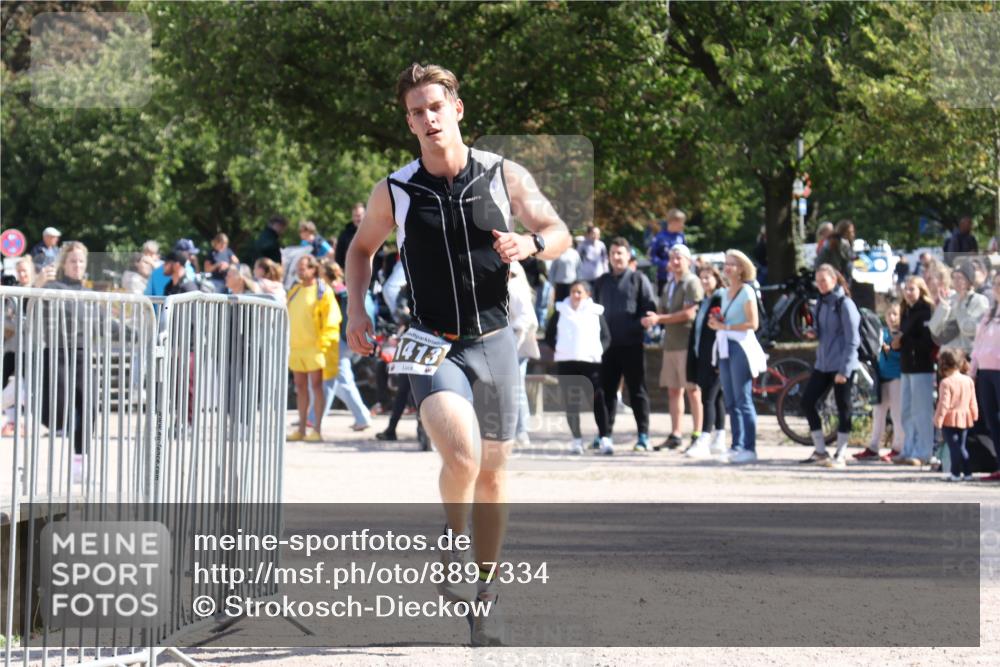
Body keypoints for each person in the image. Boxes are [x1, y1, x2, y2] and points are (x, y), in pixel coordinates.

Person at [344, 63, 570, 647]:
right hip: (429, 340)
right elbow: (361, 251)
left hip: (494, 338)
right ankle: (452, 535)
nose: (428, 119)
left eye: (436, 107)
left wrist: (531, 243)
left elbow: (557, 230)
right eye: (416, 112)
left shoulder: (503, 174)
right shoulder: (395, 190)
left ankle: (486, 593)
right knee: (464, 456)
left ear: (457, 109)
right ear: (409, 122)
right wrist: (356, 311)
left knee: (494, 469)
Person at [593, 237, 657, 453]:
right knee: (606, 392)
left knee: (637, 391)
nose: (616, 257)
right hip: (606, 347)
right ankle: (604, 435)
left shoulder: (638, 279)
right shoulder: (601, 282)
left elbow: (649, 308)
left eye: (620, 253)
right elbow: (593, 311)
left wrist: (641, 323)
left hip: (632, 344)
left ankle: (643, 436)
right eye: (613, 253)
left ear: (628, 256)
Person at [798, 265, 862, 468]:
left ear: (834, 280)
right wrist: (813, 332)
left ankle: (841, 453)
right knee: (807, 402)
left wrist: (844, 370)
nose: (820, 284)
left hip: (842, 363)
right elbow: (822, 330)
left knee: (843, 407)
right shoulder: (821, 303)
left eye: (824, 280)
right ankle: (820, 450)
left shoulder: (845, 304)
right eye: (818, 281)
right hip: (823, 363)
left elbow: (853, 340)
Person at [641, 244, 703, 451]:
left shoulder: (692, 283)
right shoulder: (669, 285)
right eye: (672, 258)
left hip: (687, 344)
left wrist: (659, 319)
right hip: (670, 344)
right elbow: (663, 312)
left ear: (688, 261)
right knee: (673, 391)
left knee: (692, 390)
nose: (675, 262)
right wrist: (652, 318)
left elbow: (689, 313)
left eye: (679, 258)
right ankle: (676, 434)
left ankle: (698, 434)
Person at [707, 249, 767, 464]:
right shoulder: (724, 293)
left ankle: (749, 447)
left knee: (743, 398)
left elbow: (753, 323)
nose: (727, 267)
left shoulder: (746, 291)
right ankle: (737, 445)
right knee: (731, 400)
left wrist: (726, 326)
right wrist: (717, 324)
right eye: (726, 263)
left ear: (741, 269)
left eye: (732, 264)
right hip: (725, 345)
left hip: (740, 345)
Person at [545, 280, 611, 454]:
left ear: (588, 294)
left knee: (597, 400)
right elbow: (549, 335)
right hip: (567, 363)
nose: (575, 295)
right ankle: (576, 440)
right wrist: (560, 349)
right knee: (571, 402)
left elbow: (606, 337)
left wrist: (597, 351)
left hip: (591, 363)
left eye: (579, 292)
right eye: (573, 291)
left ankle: (605, 437)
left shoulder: (596, 312)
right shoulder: (560, 310)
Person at [287, 254, 339, 442]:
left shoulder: (323, 291)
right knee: (300, 387)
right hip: (296, 347)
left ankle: (316, 429)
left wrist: (323, 344)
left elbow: (332, 319)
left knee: (316, 387)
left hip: (315, 347)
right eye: (298, 268)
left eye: (303, 268)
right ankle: (301, 428)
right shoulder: (295, 290)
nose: (300, 271)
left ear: (313, 269)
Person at [320, 259, 373, 432]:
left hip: (340, 340)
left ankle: (316, 418)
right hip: (346, 339)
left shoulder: (333, 291)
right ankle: (361, 415)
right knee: (338, 381)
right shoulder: (343, 289)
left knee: (339, 380)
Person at [683, 264, 727, 459]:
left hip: (715, 356)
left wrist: (718, 359)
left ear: (717, 278)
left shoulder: (720, 299)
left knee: (708, 397)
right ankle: (719, 437)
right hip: (702, 355)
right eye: (701, 277)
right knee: (716, 398)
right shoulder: (704, 302)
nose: (704, 281)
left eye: (708, 277)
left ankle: (704, 438)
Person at [892, 276, 937, 466]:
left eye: (912, 289)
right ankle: (909, 449)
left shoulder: (926, 311)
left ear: (921, 290)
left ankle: (924, 452)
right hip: (906, 366)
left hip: (922, 367)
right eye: (906, 289)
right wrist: (897, 344)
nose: (908, 293)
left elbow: (927, 342)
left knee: (922, 412)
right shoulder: (906, 311)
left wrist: (903, 340)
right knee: (907, 411)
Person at [854, 301, 905, 461]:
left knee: (897, 414)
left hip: (897, 376)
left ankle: (898, 447)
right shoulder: (882, 333)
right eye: (889, 314)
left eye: (895, 314)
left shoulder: (902, 335)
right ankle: (873, 447)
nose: (891, 317)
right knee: (878, 413)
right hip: (881, 377)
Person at [970, 272, 1000, 481]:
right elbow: (977, 344)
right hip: (985, 372)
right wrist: (972, 371)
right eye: (996, 284)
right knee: (991, 421)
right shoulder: (989, 314)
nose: (998, 288)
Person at [933, 348, 979, 481]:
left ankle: (955, 473)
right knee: (962, 447)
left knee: (954, 448)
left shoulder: (946, 382)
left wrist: (938, 420)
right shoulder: (968, 380)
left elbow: (944, 404)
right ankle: (968, 473)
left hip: (949, 420)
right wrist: (974, 414)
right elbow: (973, 400)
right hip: (965, 418)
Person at [508, 261, 540, 447]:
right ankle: (519, 431)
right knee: (516, 388)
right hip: (517, 343)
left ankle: (520, 431)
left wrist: (513, 340)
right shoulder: (518, 286)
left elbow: (527, 319)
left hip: (515, 344)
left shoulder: (513, 287)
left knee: (515, 389)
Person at [929, 263, 989, 356]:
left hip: (967, 356)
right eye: (954, 277)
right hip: (947, 355)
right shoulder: (949, 298)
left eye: (960, 277)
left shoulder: (979, 300)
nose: (956, 281)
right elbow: (933, 329)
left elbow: (970, 329)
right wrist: (944, 308)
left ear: (970, 280)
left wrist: (960, 307)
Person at [649, 209, 686, 293]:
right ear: (673, 222)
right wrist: (665, 264)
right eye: (681, 222)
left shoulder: (681, 236)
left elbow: (686, 255)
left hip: (680, 277)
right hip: (664, 278)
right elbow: (652, 256)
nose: (682, 225)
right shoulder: (660, 237)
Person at [336, 203, 365, 271]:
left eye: (359, 216)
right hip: (350, 272)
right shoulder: (345, 235)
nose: (357, 219)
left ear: (365, 215)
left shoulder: (373, 232)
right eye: (355, 216)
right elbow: (339, 257)